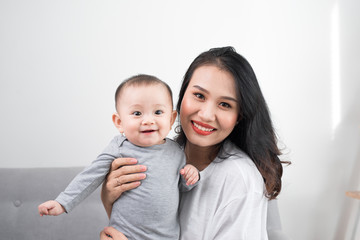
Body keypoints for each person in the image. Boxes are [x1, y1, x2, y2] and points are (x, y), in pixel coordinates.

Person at [100, 47, 290, 240]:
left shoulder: (238, 179)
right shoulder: (163, 154)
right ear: (181, 97)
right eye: (199, 96)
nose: (206, 115)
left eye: (225, 104)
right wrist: (109, 199)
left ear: (239, 116)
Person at [38, 74, 200, 240]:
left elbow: (181, 188)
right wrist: (62, 202)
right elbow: (90, 177)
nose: (148, 120)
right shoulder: (119, 147)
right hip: (124, 235)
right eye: (137, 113)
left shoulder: (176, 151)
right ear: (119, 122)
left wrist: (191, 174)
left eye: (158, 112)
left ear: (171, 118)